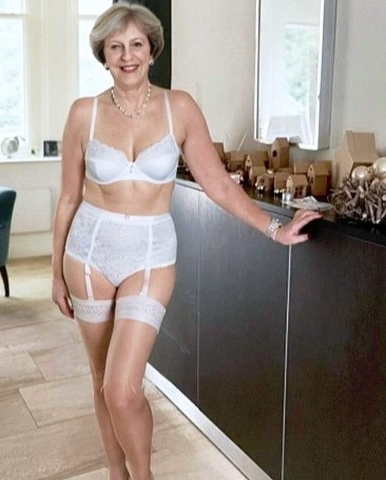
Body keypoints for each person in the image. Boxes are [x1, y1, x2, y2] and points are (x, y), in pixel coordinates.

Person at [51, 3, 322, 479]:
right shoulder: (83, 114)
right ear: (103, 55)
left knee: (122, 389)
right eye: (116, 46)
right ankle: (117, 474)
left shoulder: (179, 108)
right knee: (101, 381)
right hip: (89, 254)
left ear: (152, 50)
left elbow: (217, 184)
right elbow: (70, 197)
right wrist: (56, 272)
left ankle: (142, 475)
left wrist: (274, 229)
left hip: (151, 256)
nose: (127, 55)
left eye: (136, 44)